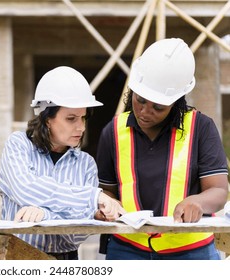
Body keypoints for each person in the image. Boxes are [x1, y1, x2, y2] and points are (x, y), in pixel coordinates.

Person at [96, 38, 229, 260]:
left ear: (176, 102)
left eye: (158, 107)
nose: (145, 111)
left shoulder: (200, 128)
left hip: (190, 252)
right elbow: (106, 191)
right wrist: (104, 206)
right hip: (127, 250)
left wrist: (197, 201)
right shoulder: (113, 131)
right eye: (140, 100)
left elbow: (218, 191)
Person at [0, 66, 125, 260]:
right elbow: (26, 189)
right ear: (47, 118)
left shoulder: (86, 164)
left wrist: (45, 216)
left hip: (66, 260)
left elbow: (78, 233)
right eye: (71, 119)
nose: (81, 127)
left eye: (83, 118)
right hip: (17, 257)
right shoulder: (18, 145)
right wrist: (92, 197)